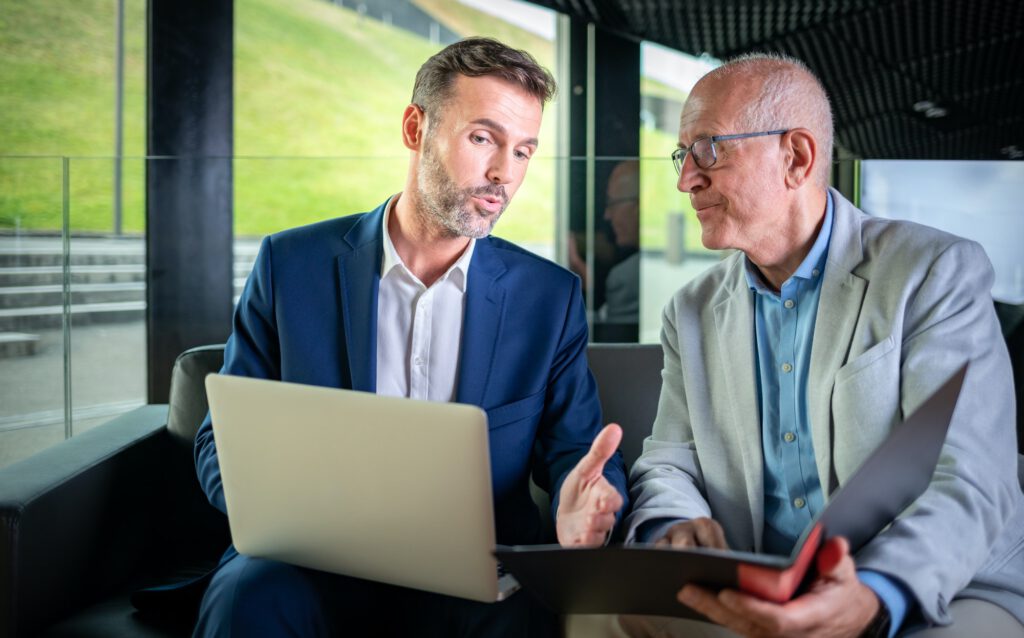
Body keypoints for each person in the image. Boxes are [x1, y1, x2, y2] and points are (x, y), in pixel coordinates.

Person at [192, 37, 628, 637]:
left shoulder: (548, 298)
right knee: (250, 597)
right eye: (484, 139)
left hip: (476, 574)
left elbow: (575, 455)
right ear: (415, 127)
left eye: (523, 151)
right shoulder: (290, 266)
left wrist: (585, 506)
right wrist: (271, 508)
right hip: (313, 559)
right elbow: (221, 437)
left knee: (520, 621)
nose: (504, 172)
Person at [624, 53, 1024, 637]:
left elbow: (970, 477)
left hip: (942, 581)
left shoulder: (933, 271)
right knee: (623, 619)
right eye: (683, 156)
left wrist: (872, 594)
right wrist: (675, 525)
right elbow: (670, 457)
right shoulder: (690, 311)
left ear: (796, 157)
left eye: (708, 148)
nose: (687, 178)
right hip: (763, 578)